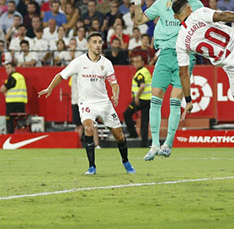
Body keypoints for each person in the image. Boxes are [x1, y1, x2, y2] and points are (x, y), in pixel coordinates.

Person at [38, 32, 135, 175]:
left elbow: (114, 83)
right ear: (88, 45)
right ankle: (92, 167)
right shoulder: (79, 62)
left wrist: (116, 93)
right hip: (87, 103)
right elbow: (61, 75)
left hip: (104, 103)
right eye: (94, 42)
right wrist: (50, 88)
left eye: (100, 42)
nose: (98, 45)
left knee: (119, 136)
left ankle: (125, 161)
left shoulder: (106, 63)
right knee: (89, 129)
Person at [130, 0, 203, 160]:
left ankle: (168, 143)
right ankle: (154, 144)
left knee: (175, 101)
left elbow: (210, 23)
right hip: (164, 55)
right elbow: (139, 20)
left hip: (185, 56)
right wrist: (138, 2)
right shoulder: (161, 4)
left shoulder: (196, 6)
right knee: (155, 99)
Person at [123, 55, 152, 147]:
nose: (135, 64)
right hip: (148, 99)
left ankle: (133, 134)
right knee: (144, 122)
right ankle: (144, 142)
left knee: (127, 114)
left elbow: (142, 85)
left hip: (141, 100)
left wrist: (136, 97)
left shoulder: (140, 73)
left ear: (142, 62)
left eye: (137, 61)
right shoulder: (145, 71)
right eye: (134, 62)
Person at [0, 62, 27, 134]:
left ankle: (10, 139)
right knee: (21, 123)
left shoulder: (12, 77)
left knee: (10, 124)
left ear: (13, 68)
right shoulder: (21, 77)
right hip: (22, 103)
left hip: (12, 103)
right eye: (6, 69)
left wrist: (5, 93)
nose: (7, 70)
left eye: (8, 68)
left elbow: (2, 89)